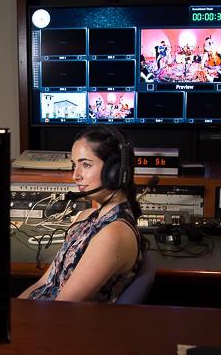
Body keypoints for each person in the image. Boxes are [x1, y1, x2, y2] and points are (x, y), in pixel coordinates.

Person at [18, 126, 143, 302]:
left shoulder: (114, 234)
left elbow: (63, 307)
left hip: (57, 323)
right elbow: (45, 281)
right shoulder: (86, 216)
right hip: (38, 312)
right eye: (74, 165)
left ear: (114, 171)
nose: (75, 175)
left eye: (86, 164)